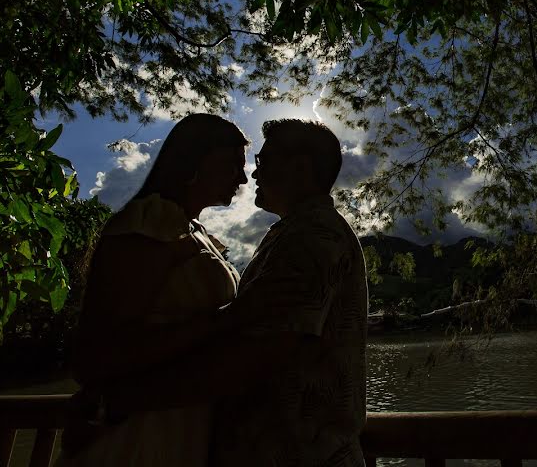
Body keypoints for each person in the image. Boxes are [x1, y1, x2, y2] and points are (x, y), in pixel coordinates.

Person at [87, 118, 368, 467]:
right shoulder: (288, 234)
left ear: (299, 168)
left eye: (259, 164)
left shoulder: (313, 238)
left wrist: (123, 400)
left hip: (295, 455)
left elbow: (259, 355)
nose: (248, 176)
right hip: (177, 435)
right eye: (235, 164)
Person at [60, 113, 250, 466]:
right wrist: (222, 322)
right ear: (194, 161)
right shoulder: (147, 225)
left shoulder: (195, 232)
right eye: (231, 165)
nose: (242, 178)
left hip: (189, 426)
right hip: (140, 432)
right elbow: (96, 355)